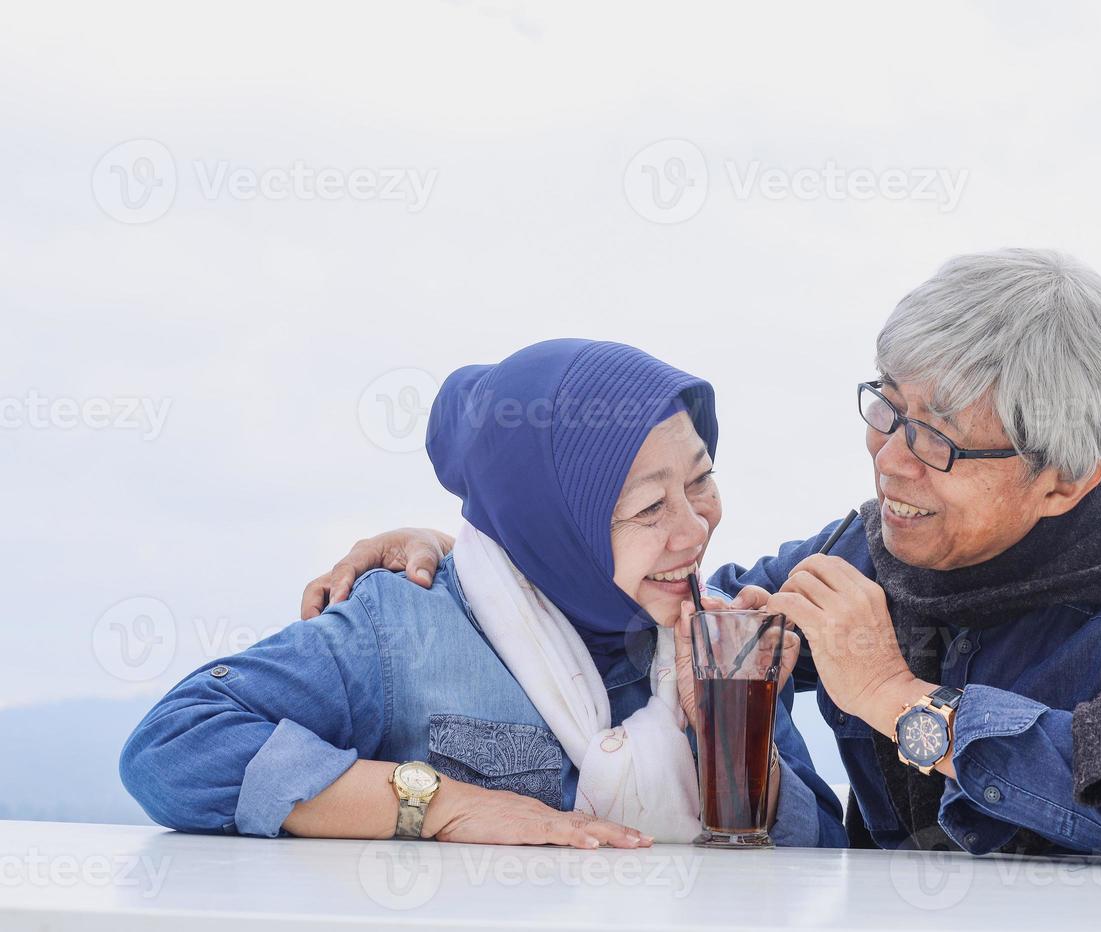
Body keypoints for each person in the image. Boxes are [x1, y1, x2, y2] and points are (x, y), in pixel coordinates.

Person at [302, 250, 1101, 868]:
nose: (889, 459)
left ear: (1063, 480)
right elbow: (679, 610)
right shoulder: (860, 551)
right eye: (884, 407)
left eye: (937, 441)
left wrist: (896, 697)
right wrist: (481, 550)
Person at [122, 339, 845, 849]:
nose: (695, 529)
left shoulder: (723, 634)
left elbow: (818, 853)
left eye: (700, 480)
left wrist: (726, 747)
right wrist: (442, 806)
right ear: (549, 524)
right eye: (650, 507)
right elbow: (173, 749)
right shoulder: (404, 623)